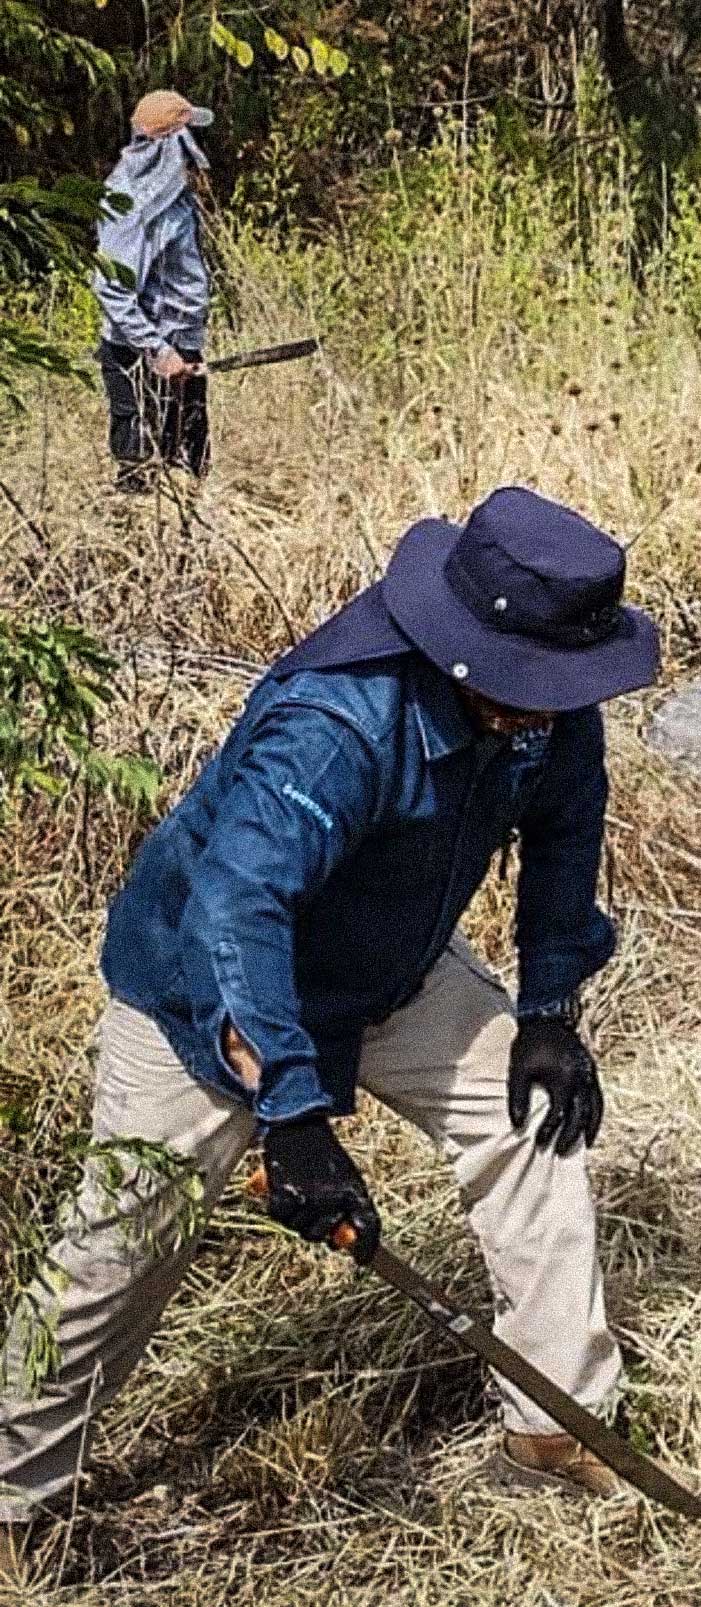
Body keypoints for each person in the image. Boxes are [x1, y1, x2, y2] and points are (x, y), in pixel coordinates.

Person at [0, 487, 661, 1585]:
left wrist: (548, 1009)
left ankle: (558, 1420)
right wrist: (295, 1111)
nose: (550, 708)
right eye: (531, 689)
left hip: (389, 970)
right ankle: (14, 1488)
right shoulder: (338, 721)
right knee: (122, 1247)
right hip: (205, 997)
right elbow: (234, 908)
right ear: (467, 649)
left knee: (532, 1122)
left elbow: (565, 830)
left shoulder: (542, 699)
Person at [93, 91, 217, 492]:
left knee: (189, 465)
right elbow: (112, 291)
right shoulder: (125, 205)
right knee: (141, 474)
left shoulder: (177, 197)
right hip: (138, 354)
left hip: (181, 345)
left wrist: (182, 347)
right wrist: (158, 350)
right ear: (165, 144)